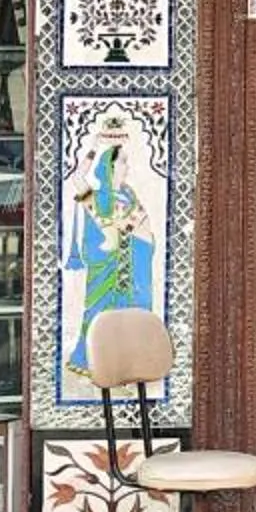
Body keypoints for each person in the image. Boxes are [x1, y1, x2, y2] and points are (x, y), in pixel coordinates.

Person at [65, 136, 155, 377]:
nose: (128, 166)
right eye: (123, 162)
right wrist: (94, 148)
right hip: (105, 266)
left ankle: (128, 364)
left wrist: (137, 238)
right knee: (99, 313)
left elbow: (139, 224)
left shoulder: (129, 194)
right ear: (110, 167)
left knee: (135, 310)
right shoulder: (96, 197)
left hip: (132, 264)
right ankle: (93, 362)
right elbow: (76, 178)